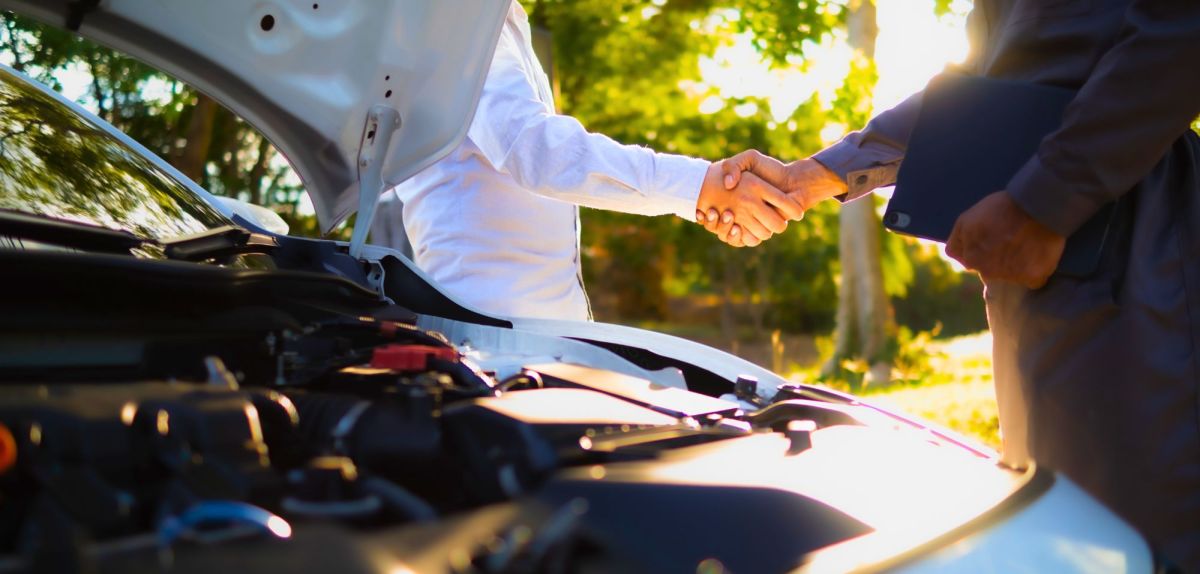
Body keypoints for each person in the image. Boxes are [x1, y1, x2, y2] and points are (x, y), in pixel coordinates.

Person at [712, 0, 1200, 568]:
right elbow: (981, 80)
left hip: (1130, 240)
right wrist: (816, 174)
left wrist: (1046, 201)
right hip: (1034, 264)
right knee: (1058, 525)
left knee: (1132, 530)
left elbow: (1181, 31)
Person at [373, 0, 799, 321]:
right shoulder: (454, 17)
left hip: (537, 338)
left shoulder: (495, 23)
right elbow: (535, 150)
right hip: (489, 338)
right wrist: (700, 186)